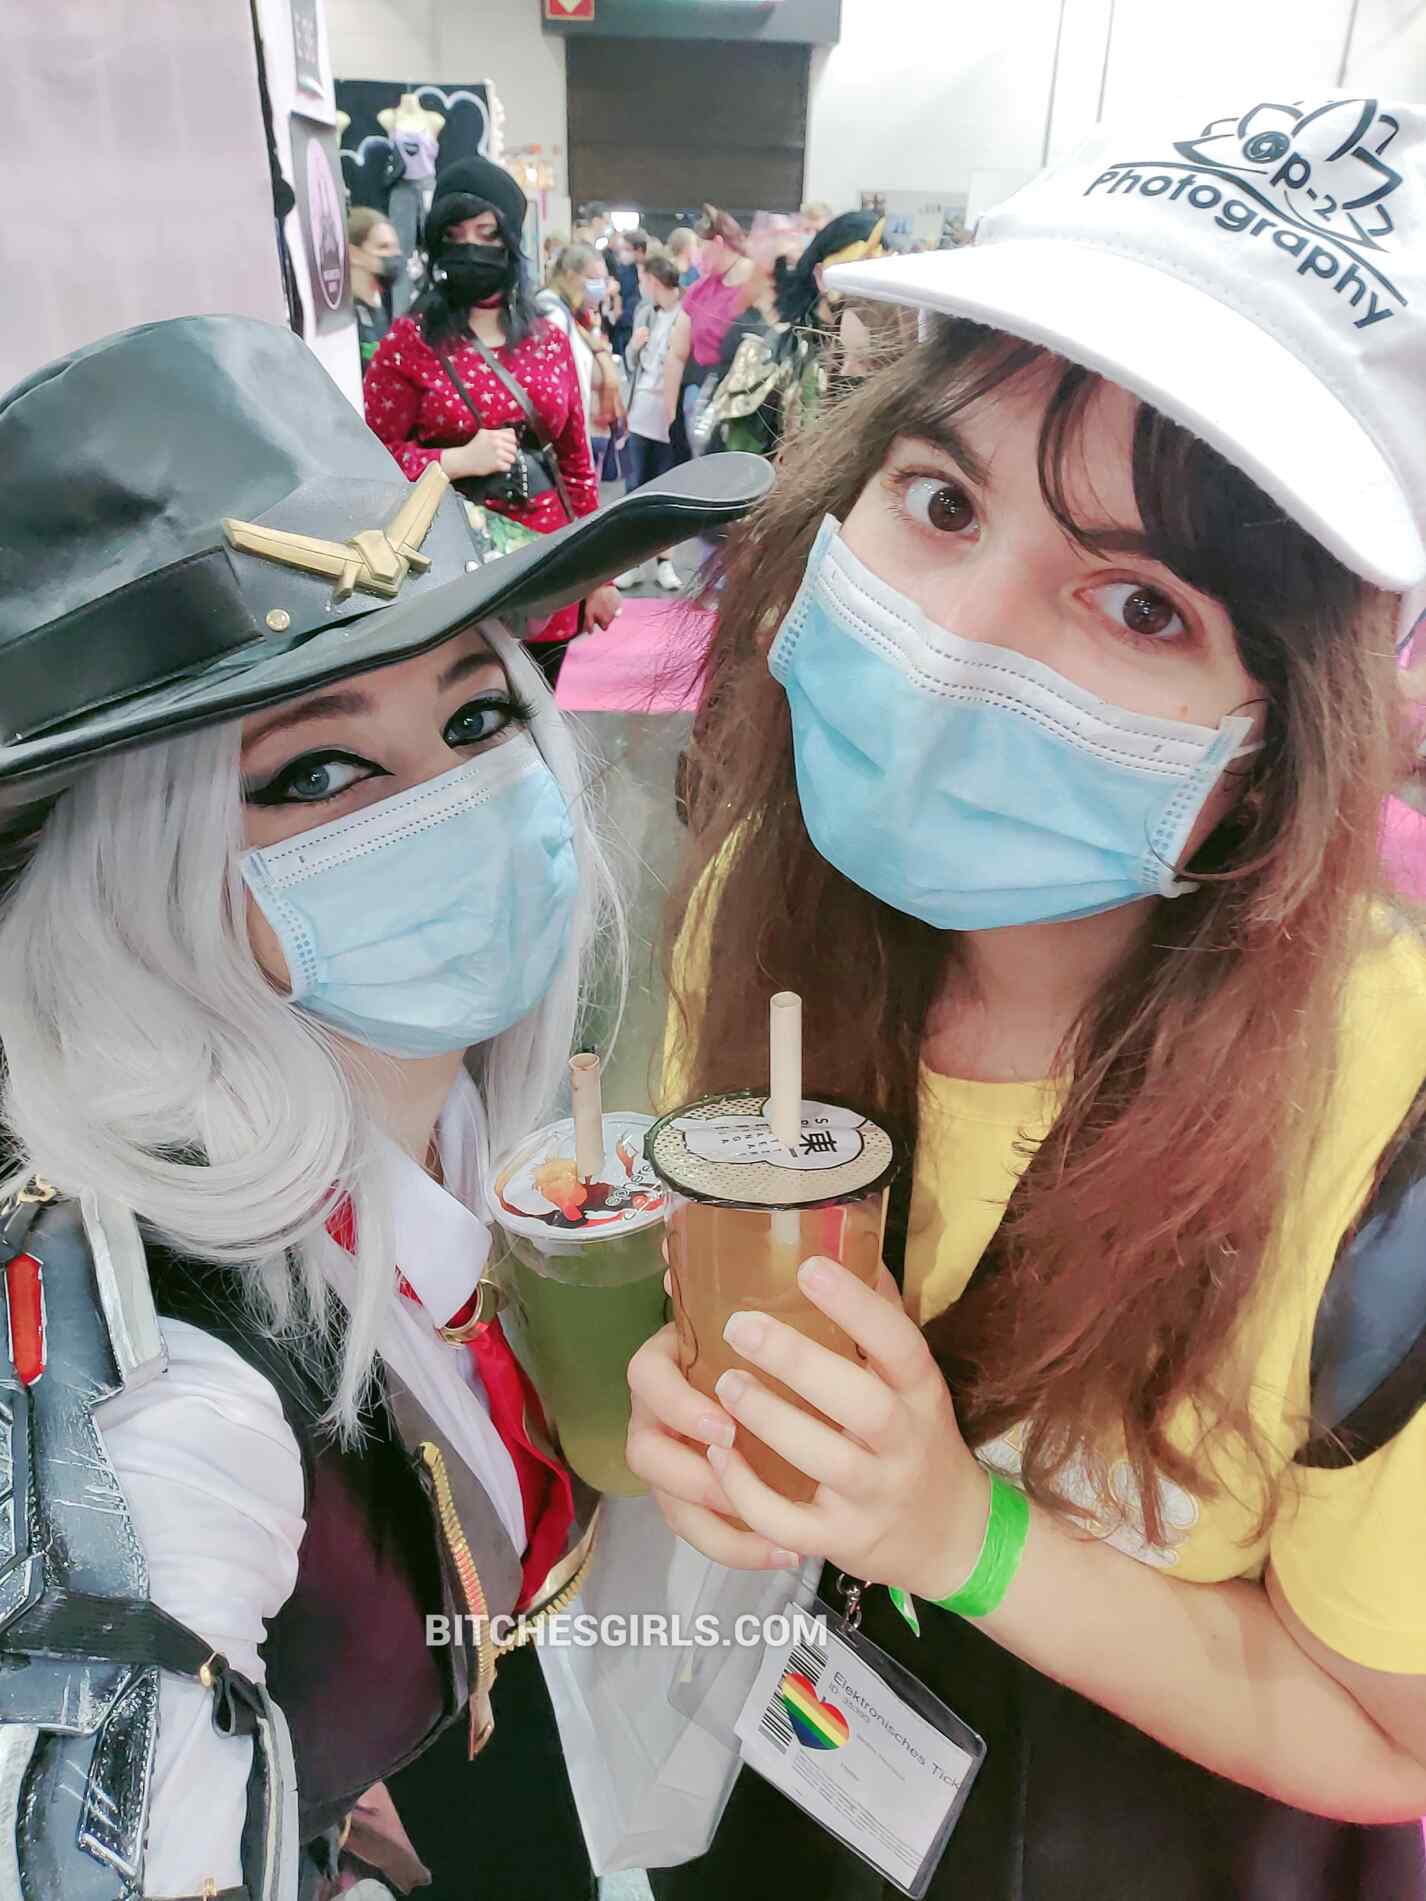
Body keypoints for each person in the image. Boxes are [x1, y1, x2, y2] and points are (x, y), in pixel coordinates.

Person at [631, 94, 1426, 1899]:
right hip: (802, 1784)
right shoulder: (759, 923)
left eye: (1139, 605)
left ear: (1282, 738)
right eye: (941, 500)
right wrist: (713, 1419)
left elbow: (1390, 1739)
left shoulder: (1382, 1135)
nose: (958, 636)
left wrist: (963, 1535)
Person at [0, 313, 767, 1900]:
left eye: (478, 719)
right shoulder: (170, 1396)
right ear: (141, 872)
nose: (458, 801)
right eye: (319, 771)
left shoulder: (477, 1137)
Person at [363, 154, 620, 691]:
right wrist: (452, 460)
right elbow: (371, 464)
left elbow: (575, 462)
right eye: (455, 236)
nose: (471, 248)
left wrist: (599, 575)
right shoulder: (407, 344)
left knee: (540, 706)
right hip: (452, 566)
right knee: (467, 707)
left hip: (546, 564)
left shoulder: (548, 340)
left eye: (487, 234)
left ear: (510, 240)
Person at [617, 250, 686, 591]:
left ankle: (665, 562)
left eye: (644, 279)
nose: (641, 286)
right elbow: (633, 363)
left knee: (669, 493)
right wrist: (633, 346)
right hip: (641, 411)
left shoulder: (687, 313)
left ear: (655, 281)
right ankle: (630, 561)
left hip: (671, 414)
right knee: (635, 490)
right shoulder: (645, 312)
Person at [664, 206, 755, 454]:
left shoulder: (759, 284)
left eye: (701, 249)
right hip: (705, 393)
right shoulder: (701, 288)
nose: (697, 258)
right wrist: (670, 413)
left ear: (718, 243)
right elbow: (676, 352)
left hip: (748, 400)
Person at [538, 241, 627, 483]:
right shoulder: (552, 315)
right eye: (593, 279)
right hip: (566, 441)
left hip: (581, 432)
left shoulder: (573, 315)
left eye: (603, 279)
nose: (600, 287)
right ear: (570, 275)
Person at [347, 205, 404, 366]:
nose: (395, 255)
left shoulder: (378, 308)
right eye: (383, 247)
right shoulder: (346, 321)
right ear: (354, 254)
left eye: (396, 247)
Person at [609, 227, 651, 358]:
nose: (623, 254)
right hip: (625, 328)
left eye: (627, 249)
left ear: (639, 250)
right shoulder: (622, 271)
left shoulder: (653, 271)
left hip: (647, 327)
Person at [668, 224, 701, 290]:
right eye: (695, 245)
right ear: (685, 249)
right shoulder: (668, 271)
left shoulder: (697, 271)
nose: (698, 249)